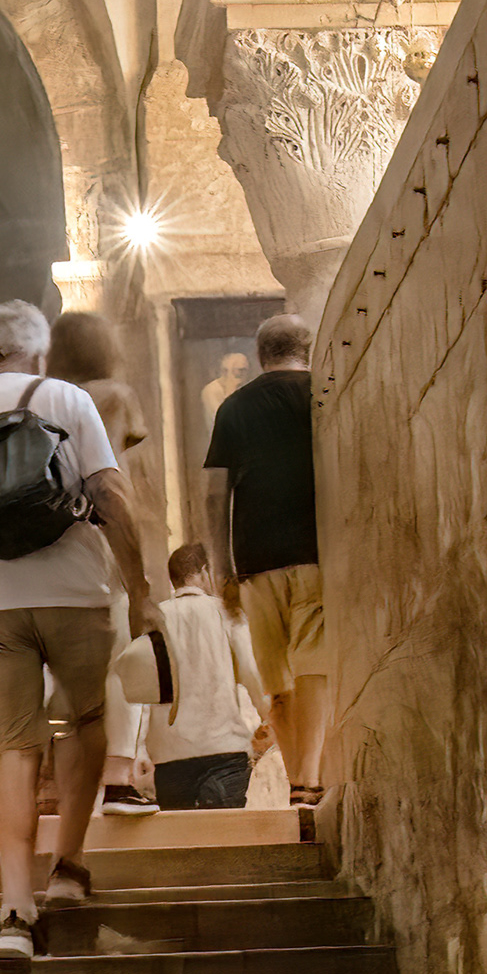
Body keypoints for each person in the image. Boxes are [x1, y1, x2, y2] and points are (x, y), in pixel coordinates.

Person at [0, 297, 151, 973]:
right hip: (75, 593)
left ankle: (15, 911)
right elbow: (110, 496)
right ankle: (68, 869)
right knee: (85, 720)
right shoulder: (69, 400)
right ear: (37, 350)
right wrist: (142, 592)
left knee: (15, 747)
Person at [202, 309, 328, 827]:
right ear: (307, 348)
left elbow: (214, 495)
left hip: (255, 561)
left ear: (259, 356)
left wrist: (222, 565)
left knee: (276, 676)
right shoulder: (325, 394)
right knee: (315, 663)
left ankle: (299, 776)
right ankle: (310, 779)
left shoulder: (233, 407)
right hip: (318, 553)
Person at [50, 302, 165, 809]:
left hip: (52, 547)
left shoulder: (46, 399)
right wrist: (143, 571)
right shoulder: (114, 396)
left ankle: (70, 782)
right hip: (101, 542)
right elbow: (125, 479)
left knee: (71, 670)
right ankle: (117, 778)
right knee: (121, 660)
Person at [118, 541, 267, 810]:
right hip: (224, 748)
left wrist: (138, 748)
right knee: (223, 836)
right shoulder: (226, 613)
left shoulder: (155, 620)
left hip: (169, 754)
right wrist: (268, 716)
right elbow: (250, 671)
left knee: (181, 841)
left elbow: (142, 687)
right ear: (204, 571)